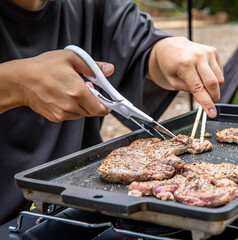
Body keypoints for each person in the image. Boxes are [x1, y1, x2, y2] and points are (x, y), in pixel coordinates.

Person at [0, 0, 224, 225]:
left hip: (83, 203)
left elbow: (141, 48)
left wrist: (165, 51)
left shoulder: (90, 5)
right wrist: (13, 84)